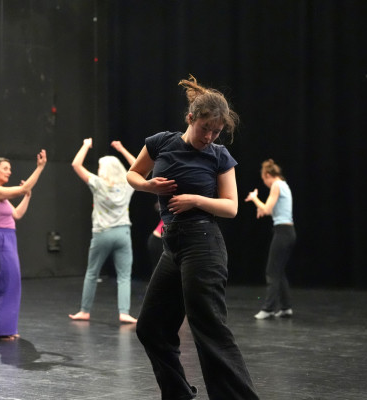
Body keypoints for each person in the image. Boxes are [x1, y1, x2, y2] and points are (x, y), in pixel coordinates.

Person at [127, 75, 260, 400]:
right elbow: (133, 173)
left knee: (208, 327)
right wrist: (148, 186)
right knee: (151, 328)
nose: (210, 136)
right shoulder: (161, 142)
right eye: (206, 129)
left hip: (203, 243)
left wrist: (196, 200)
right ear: (190, 118)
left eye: (217, 131)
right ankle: (178, 394)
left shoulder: (219, 155)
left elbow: (231, 207)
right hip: (172, 245)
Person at [68, 139, 138, 324]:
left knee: (92, 273)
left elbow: (76, 164)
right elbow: (138, 166)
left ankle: (84, 311)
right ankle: (124, 313)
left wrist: (85, 145)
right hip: (123, 233)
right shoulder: (127, 185)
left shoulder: (98, 183)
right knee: (124, 276)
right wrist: (122, 149)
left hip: (102, 234)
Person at [0, 150, 47, 340]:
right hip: (0, 238)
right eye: (5, 168)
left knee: (8, 282)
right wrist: (40, 167)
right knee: (8, 282)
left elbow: (16, 214)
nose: (9, 172)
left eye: (9, 169)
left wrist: (27, 196)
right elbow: (21, 189)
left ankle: (2, 329)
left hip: (6, 237)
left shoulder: (0, 195)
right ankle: (0, 331)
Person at [245, 159, 296, 320]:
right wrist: (261, 208)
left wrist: (254, 198)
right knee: (278, 271)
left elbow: (267, 209)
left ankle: (268, 309)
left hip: (283, 232)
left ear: (267, 175)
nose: (264, 183)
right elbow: (274, 210)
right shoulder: (284, 184)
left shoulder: (276, 185)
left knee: (272, 271)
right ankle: (286, 308)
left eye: (263, 179)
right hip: (288, 232)